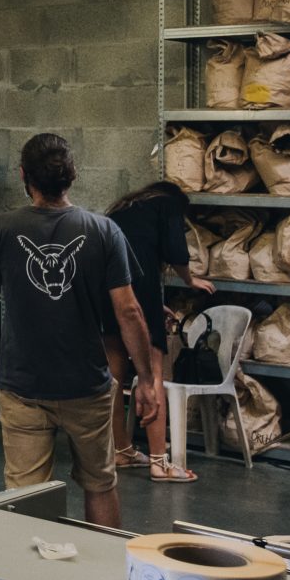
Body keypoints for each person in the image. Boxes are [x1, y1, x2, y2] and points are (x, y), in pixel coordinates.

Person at [0, 133, 162, 528]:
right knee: (100, 484)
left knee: (25, 496)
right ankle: (98, 576)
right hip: (87, 388)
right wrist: (146, 379)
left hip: (23, 386)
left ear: (24, 176)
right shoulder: (104, 231)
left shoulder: (1, 228)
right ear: (71, 177)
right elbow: (130, 312)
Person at [105, 182, 213, 482]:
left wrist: (155, 305)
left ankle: (121, 451)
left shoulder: (122, 209)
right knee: (154, 372)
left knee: (113, 378)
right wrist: (191, 281)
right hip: (138, 290)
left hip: (107, 290)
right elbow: (177, 253)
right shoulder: (169, 205)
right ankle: (159, 462)